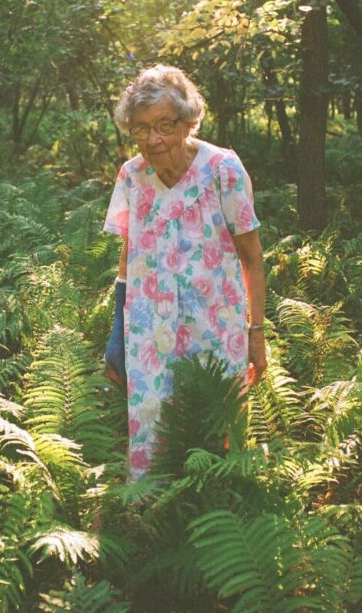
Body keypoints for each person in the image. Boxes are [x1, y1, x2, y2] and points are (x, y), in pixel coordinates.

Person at [102, 64, 267, 480]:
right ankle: (157, 517)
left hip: (216, 323)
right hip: (148, 326)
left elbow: (252, 256)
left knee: (216, 420)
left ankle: (220, 510)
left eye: (165, 125)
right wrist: (116, 333)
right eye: (141, 129)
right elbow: (129, 253)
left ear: (188, 121)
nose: (153, 140)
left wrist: (256, 331)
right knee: (153, 422)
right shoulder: (132, 176)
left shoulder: (222, 170)